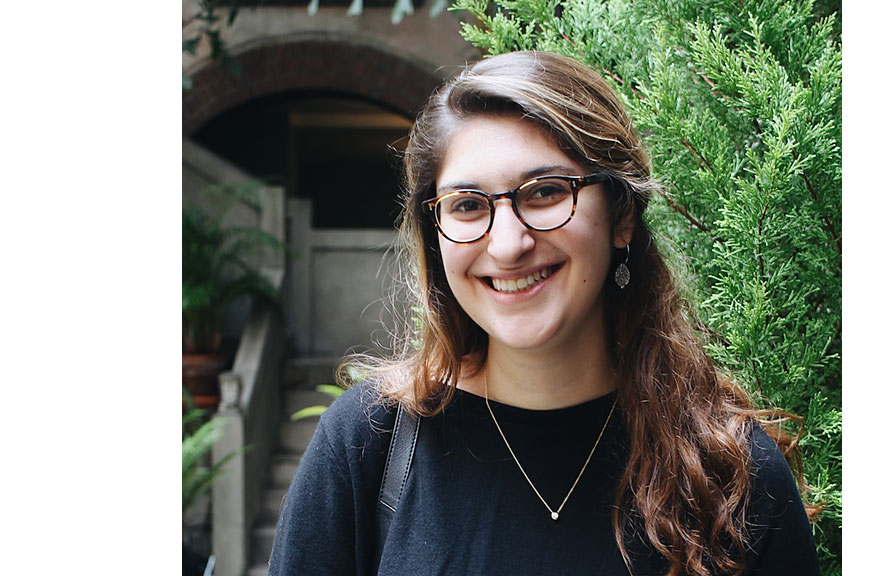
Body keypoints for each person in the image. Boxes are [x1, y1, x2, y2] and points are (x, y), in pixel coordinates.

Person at [269, 50, 820, 576]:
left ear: (622, 215)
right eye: (466, 205)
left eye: (546, 192)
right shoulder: (371, 445)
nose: (508, 245)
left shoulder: (731, 475)